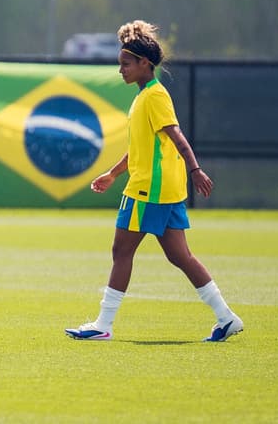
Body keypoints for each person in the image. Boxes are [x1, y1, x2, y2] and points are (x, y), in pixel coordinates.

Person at [65, 20, 243, 342]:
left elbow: (177, 136)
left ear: (144, 63)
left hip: (148, 190)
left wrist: (195, 169)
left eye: (126, 64)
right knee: (180, 257)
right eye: (120, 64)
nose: (121, 70)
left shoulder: (154, 96)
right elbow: (140, 150)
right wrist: (113, 173)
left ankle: (103, 325)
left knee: (121, 251)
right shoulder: (145, 96)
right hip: (165, 191)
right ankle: (226, 317)